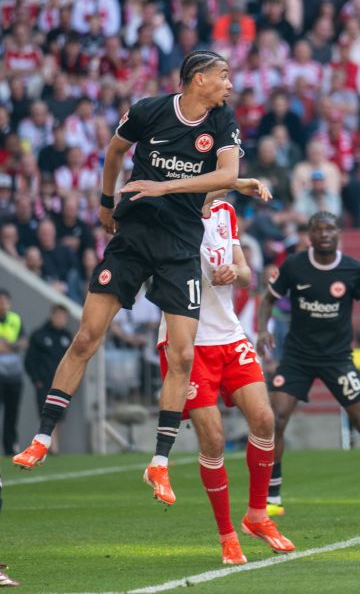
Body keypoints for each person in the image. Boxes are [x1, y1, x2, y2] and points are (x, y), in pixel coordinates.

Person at [13, 51, 243, 509]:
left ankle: (158, 462)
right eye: (223, 76)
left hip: (180, 249)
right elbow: (116, 150)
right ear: (197, 80)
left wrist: (163, 186)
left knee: (181, 356)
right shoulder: (148, 110)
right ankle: (42, 437)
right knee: (85, 337)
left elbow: (228, 175)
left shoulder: (222, 120)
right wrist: (103, 202)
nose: (229, 84)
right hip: (133, 238)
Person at [157, 185, 293, 564]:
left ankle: (257, 515)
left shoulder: (225, 213)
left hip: (229, 333)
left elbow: (248, 275)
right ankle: (226, 535)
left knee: (265, 419)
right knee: (213, 439)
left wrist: (236, 270)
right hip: (188, 340)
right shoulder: (170, 210)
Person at [256, 212, 360, 517]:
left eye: (330, 229)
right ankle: (272, 497)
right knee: (275, 419)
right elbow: (267, 300)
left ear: (338, 233)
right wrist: (263, 329)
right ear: (310, 235)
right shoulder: (294, 265)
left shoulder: (352, 269)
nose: (324, 234)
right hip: (298, 358)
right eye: (318, 229)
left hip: (338, 359)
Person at [24, 304, 71, 423]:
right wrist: (36, 380)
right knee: (47, 419)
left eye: (64, 317)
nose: (61, 319)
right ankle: (52, 442)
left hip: (62, 385)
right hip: (44, 385)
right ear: (52, 316)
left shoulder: (67, 336)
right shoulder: (39, 335)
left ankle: (56, 443)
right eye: (59, 316)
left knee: (59, 419)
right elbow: (29, 360)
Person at [0, 291, 26, 456]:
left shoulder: (15, 319)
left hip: (14, 375)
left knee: (12, 414)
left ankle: (10, 448)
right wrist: (13, 346)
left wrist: (8, 345)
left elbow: (24, 342)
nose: (2, 305)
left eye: (4, 301)